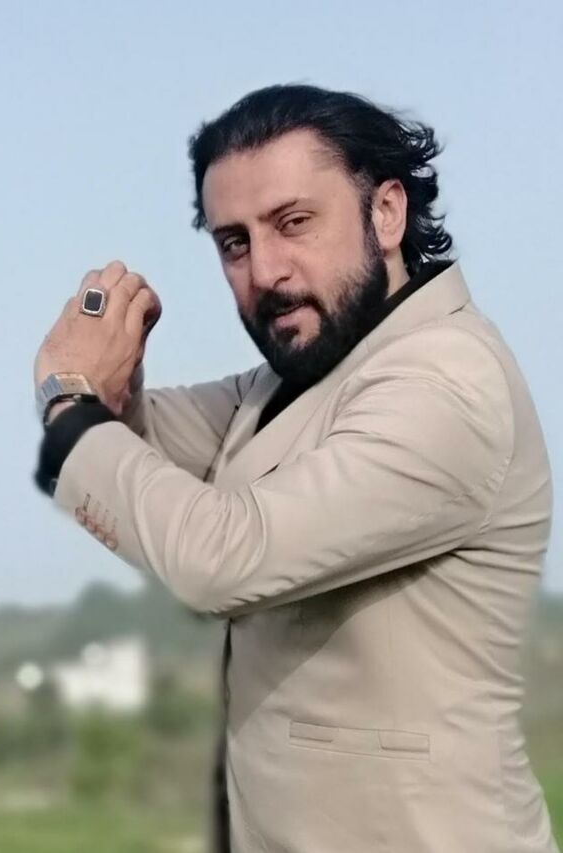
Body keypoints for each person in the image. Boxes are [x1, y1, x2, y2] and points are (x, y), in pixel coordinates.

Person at [33, 84, 558, 853]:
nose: (266, 270)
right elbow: (139, 447)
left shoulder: (447, 383)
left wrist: (67, 398)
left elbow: (218, 555)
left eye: (293, 222)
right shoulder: (296, 378)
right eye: (234, 242)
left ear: (387, 212)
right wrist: (105, 382)